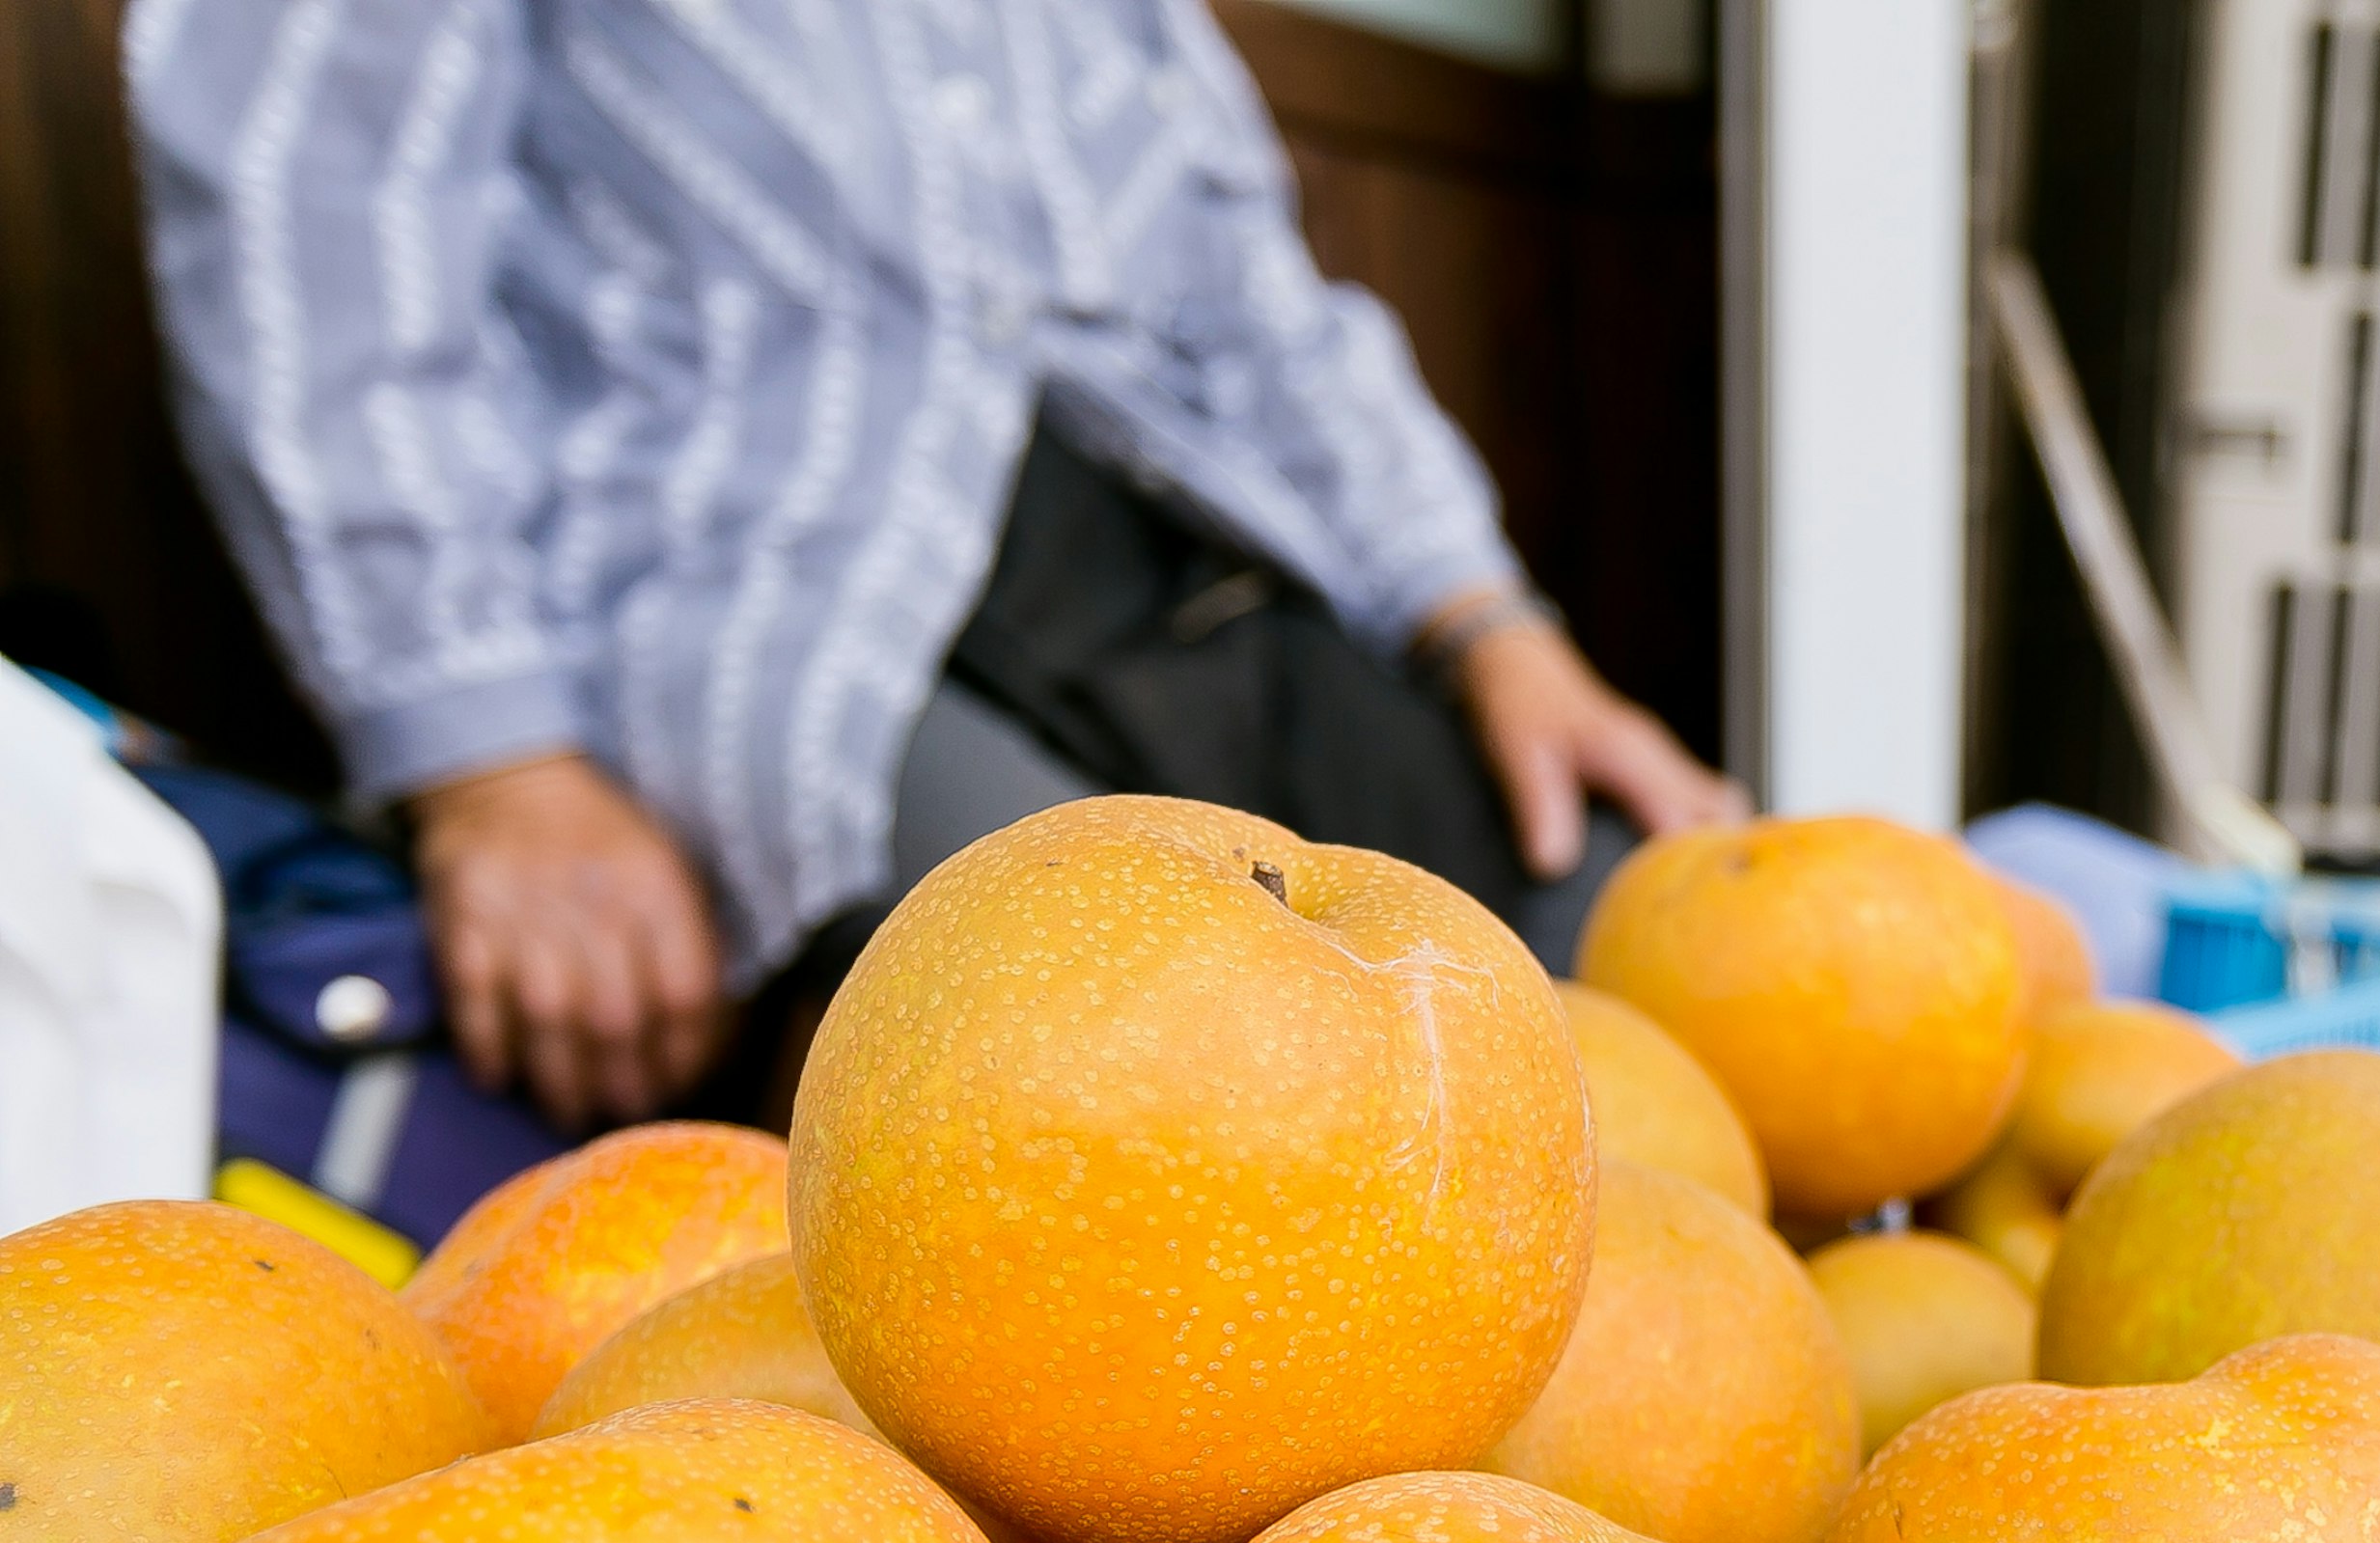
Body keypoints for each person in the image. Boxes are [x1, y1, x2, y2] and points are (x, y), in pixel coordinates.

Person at [131, 0, 1740, 1130]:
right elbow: (309, 217)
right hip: (766, 606)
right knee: (1148, 1076)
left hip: (1173, 555)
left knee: (1651, 996)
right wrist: (494, 764)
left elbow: (1259, 297)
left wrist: (1486, 622)